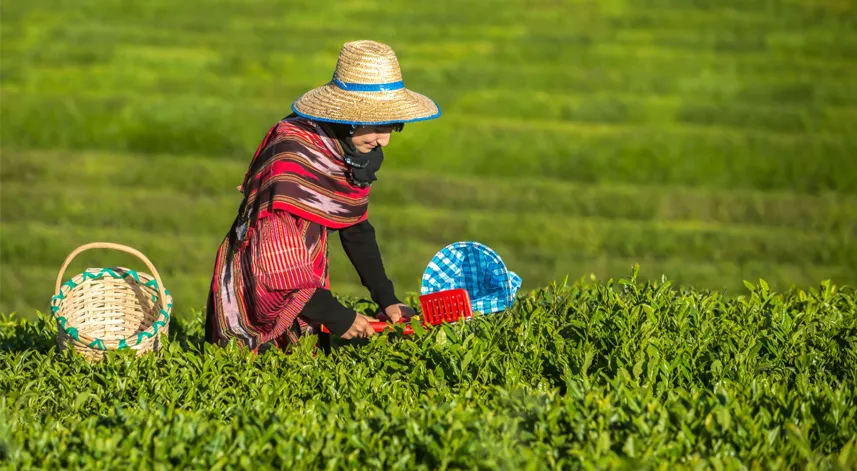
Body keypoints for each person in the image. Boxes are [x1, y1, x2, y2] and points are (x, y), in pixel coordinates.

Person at [204, 40, 441, 352]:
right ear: (349, 118)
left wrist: (388, 299)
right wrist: (335, 315)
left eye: (393, 126)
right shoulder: (291, 153)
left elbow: (355, 226)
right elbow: (274, 258)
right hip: (260, 291)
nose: (385, 140)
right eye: (378, 127)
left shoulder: (350, 152)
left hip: (306, 286)